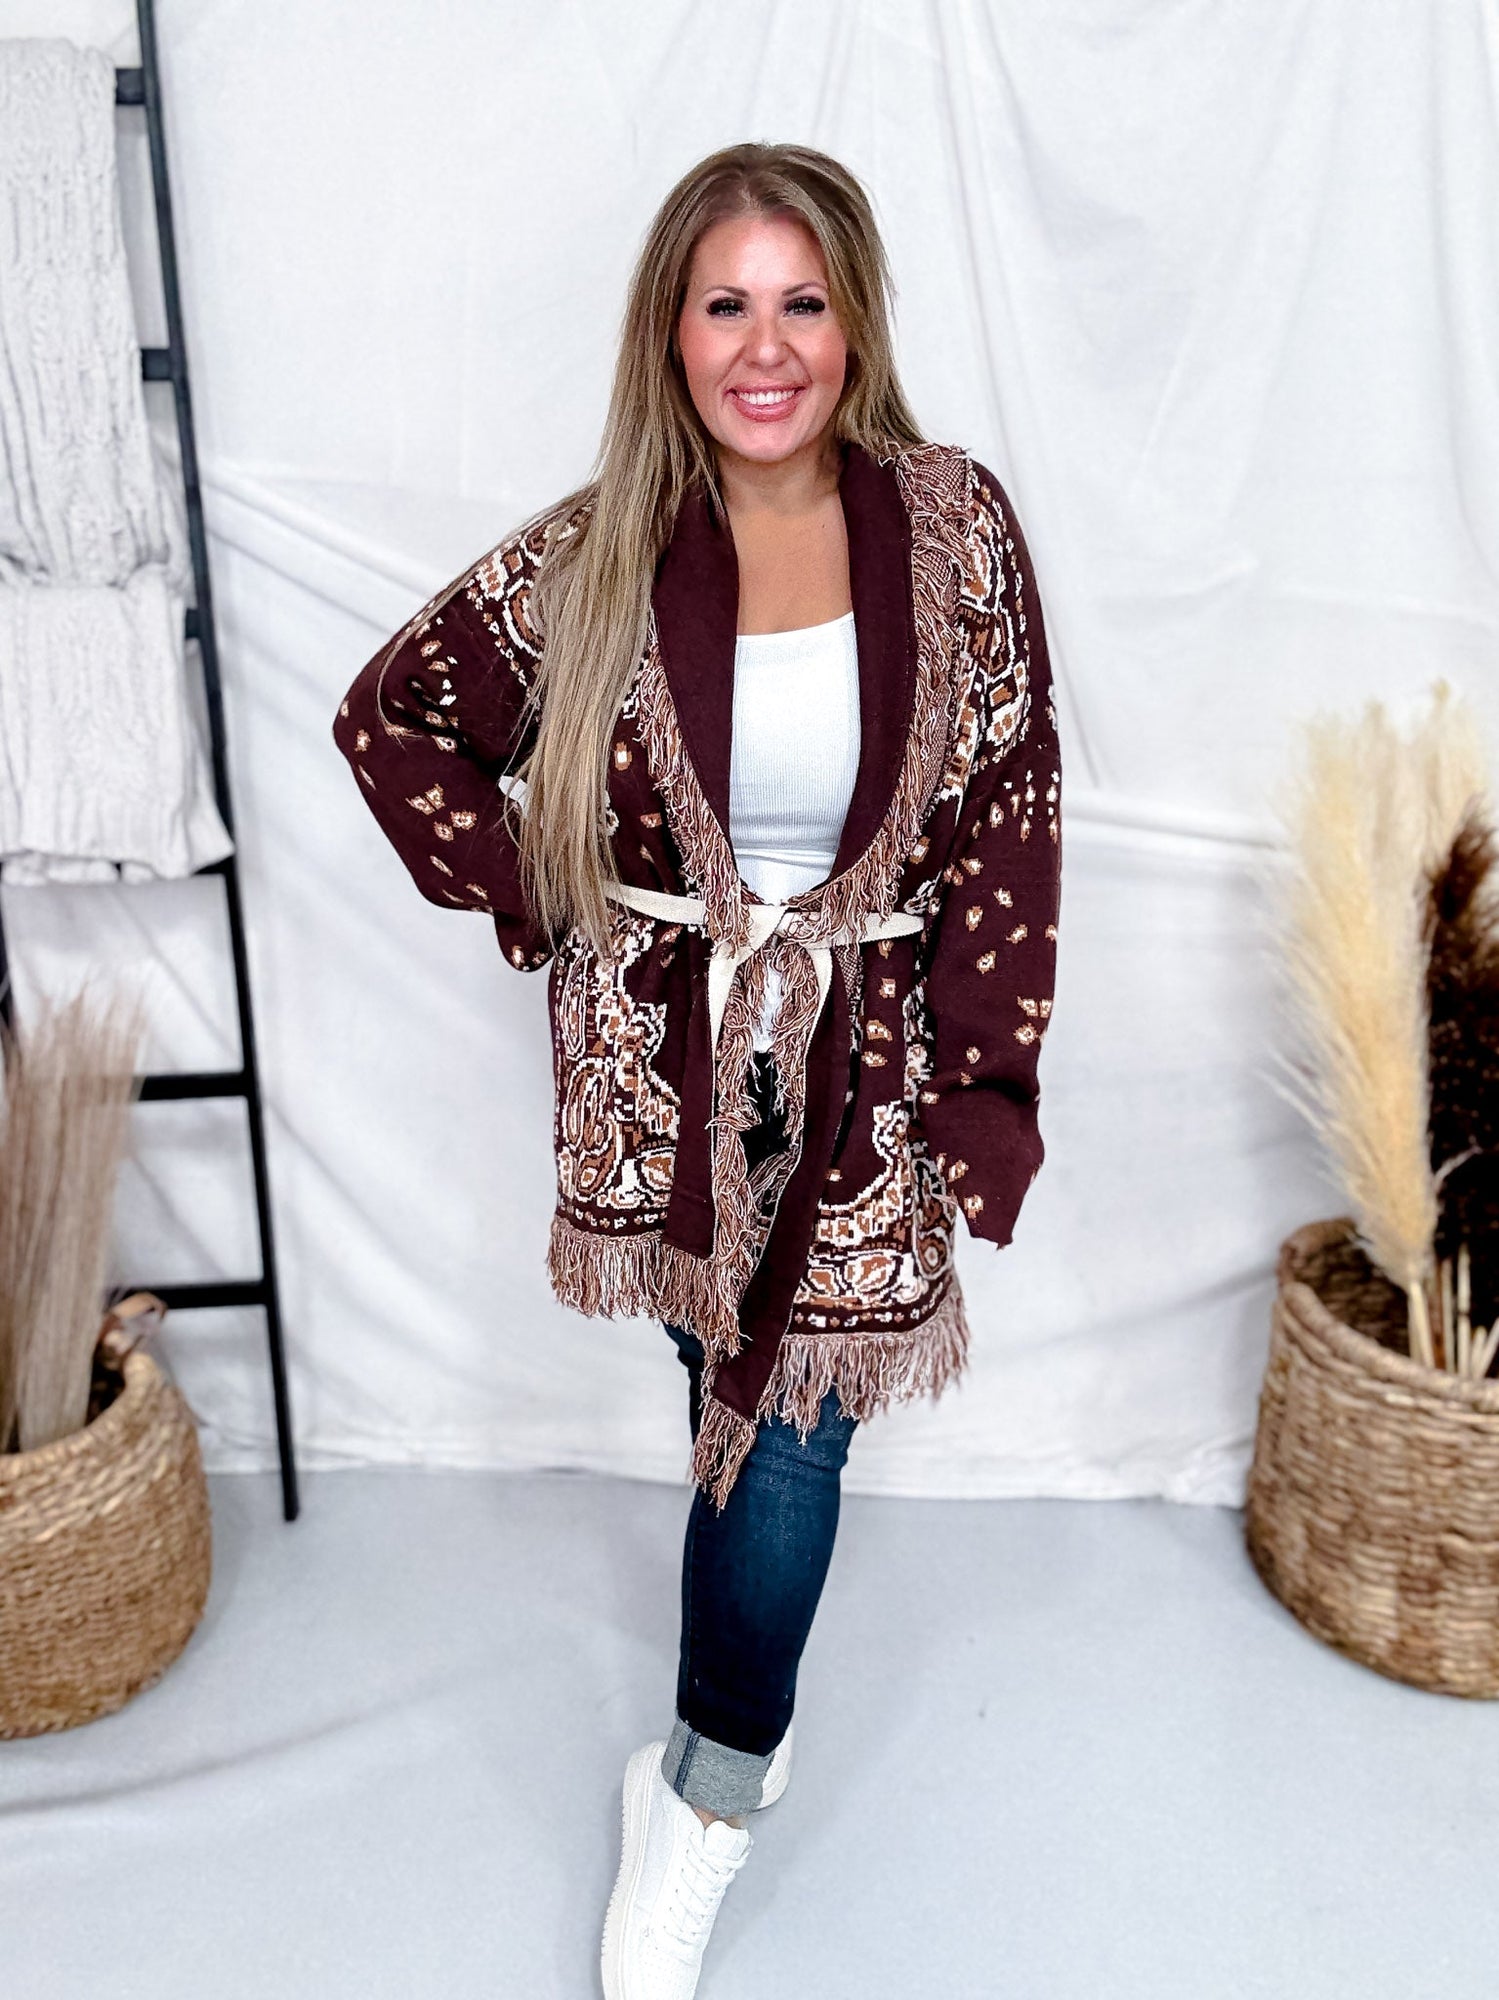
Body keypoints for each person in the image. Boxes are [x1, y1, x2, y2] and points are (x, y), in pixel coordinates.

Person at [333, 140, 1061, 2000]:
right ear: (670, 330)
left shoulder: (957, 529)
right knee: (721, 1397)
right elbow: (393, 717)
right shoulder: (595, 556)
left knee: (789, 1432)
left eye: (803, 303)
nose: (767, 346)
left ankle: (705, 1799)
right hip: (665, 1073)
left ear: (857, 320)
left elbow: (1012, 804)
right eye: (726, 304)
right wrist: (549, 894)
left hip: (870, 1067)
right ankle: (736, 1700)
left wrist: (986, 1082)